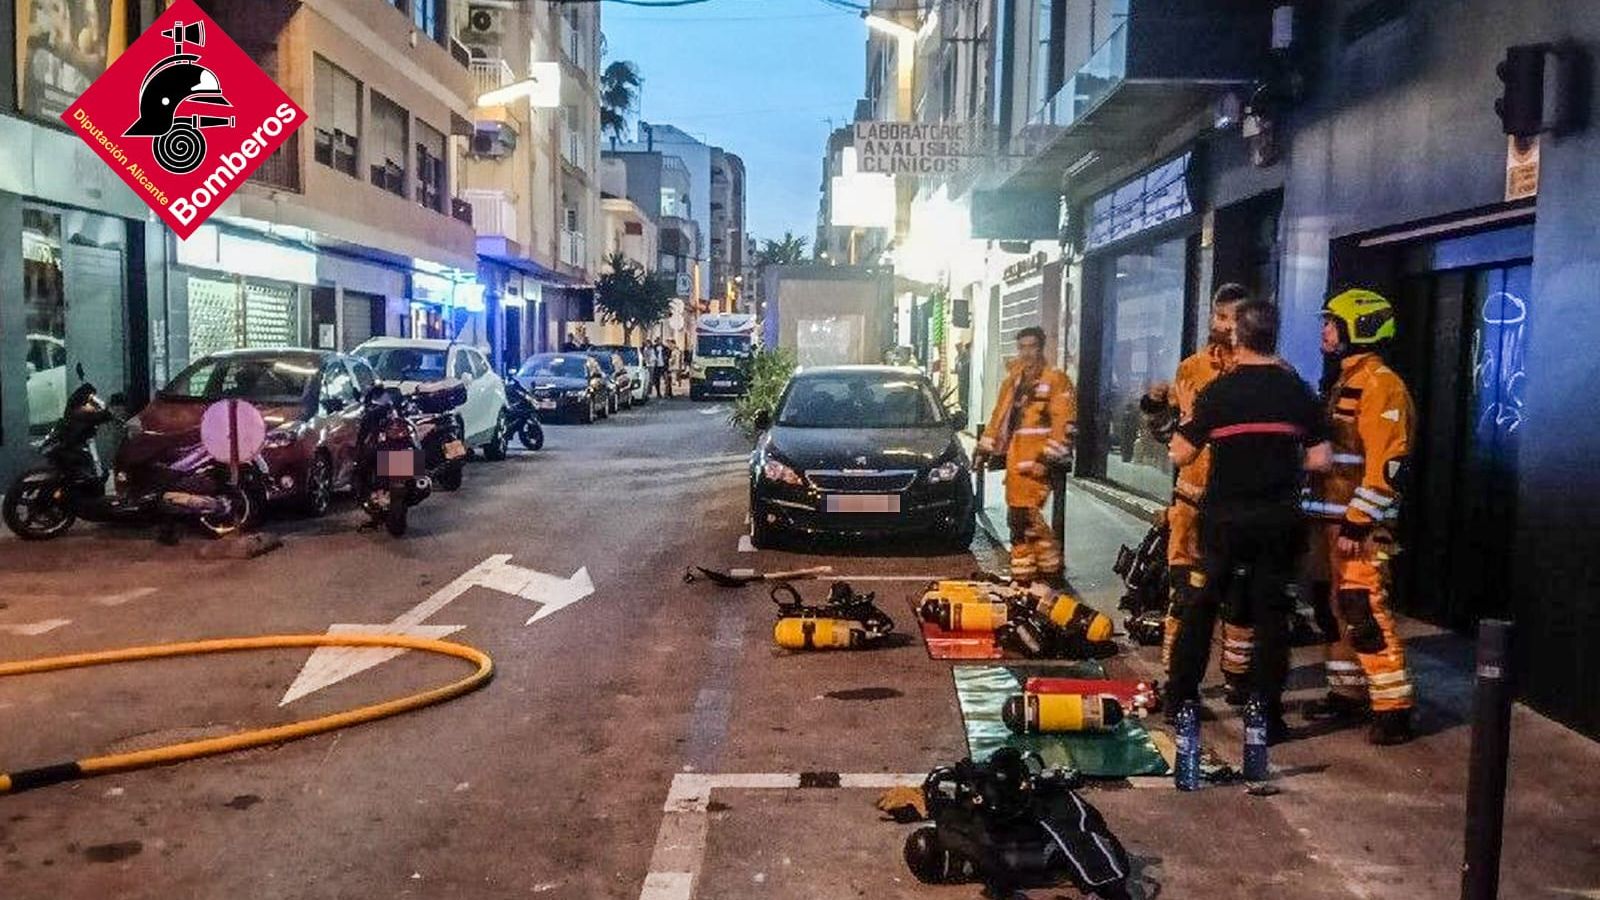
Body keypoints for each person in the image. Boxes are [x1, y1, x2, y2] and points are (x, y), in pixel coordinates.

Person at [1165, 300, 1332, 741]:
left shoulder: (1220, 391)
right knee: (1271, 615)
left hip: (1224, 520)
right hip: (1279, 521)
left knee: (1202, 608)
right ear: (1274, 336)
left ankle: (1180, 698)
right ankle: (1267, 716)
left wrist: (1187, 419)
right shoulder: (1297, 392)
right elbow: (1321, 458)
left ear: (1238, 337)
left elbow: (1181, 454)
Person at [1301, 289, 1417, 745]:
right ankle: (1347, 692)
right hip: (1331, 523)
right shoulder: (1344, 380)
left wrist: (1358, 520)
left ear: (1360, 327)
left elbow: (1388, 462)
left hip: (1358, 529)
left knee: (1362, 608)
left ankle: (1394, 708)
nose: (1326, 331)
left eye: (1333, 323)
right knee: (1333, 609)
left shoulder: (1381, 384)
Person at [1140, 284, 1254, 703]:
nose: (1225, 326)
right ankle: (1178, 681)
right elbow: (1170, 437)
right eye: (1219, 317)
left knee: (1240, 599)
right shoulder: (1191, 368)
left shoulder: (1259, 370)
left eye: (1233, 318)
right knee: (1184, 596)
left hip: (1240, 505)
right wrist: (1156, 408)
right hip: (1191, 505)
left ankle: (1238, 678)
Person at [975, 326, 1077, 587]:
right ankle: (1026, 573)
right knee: (1019, 521)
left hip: (1036, 462)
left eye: (1032, 346)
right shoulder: (1013, 381)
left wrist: (1047, 459)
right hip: (1016, 462)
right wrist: (984, 448)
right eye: (1023, 347)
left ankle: (1048, 571)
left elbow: (1064, 423)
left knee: (1026, 519)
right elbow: (999, 417)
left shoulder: (1055, 380)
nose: (1027, 352)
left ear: (1041, 348)